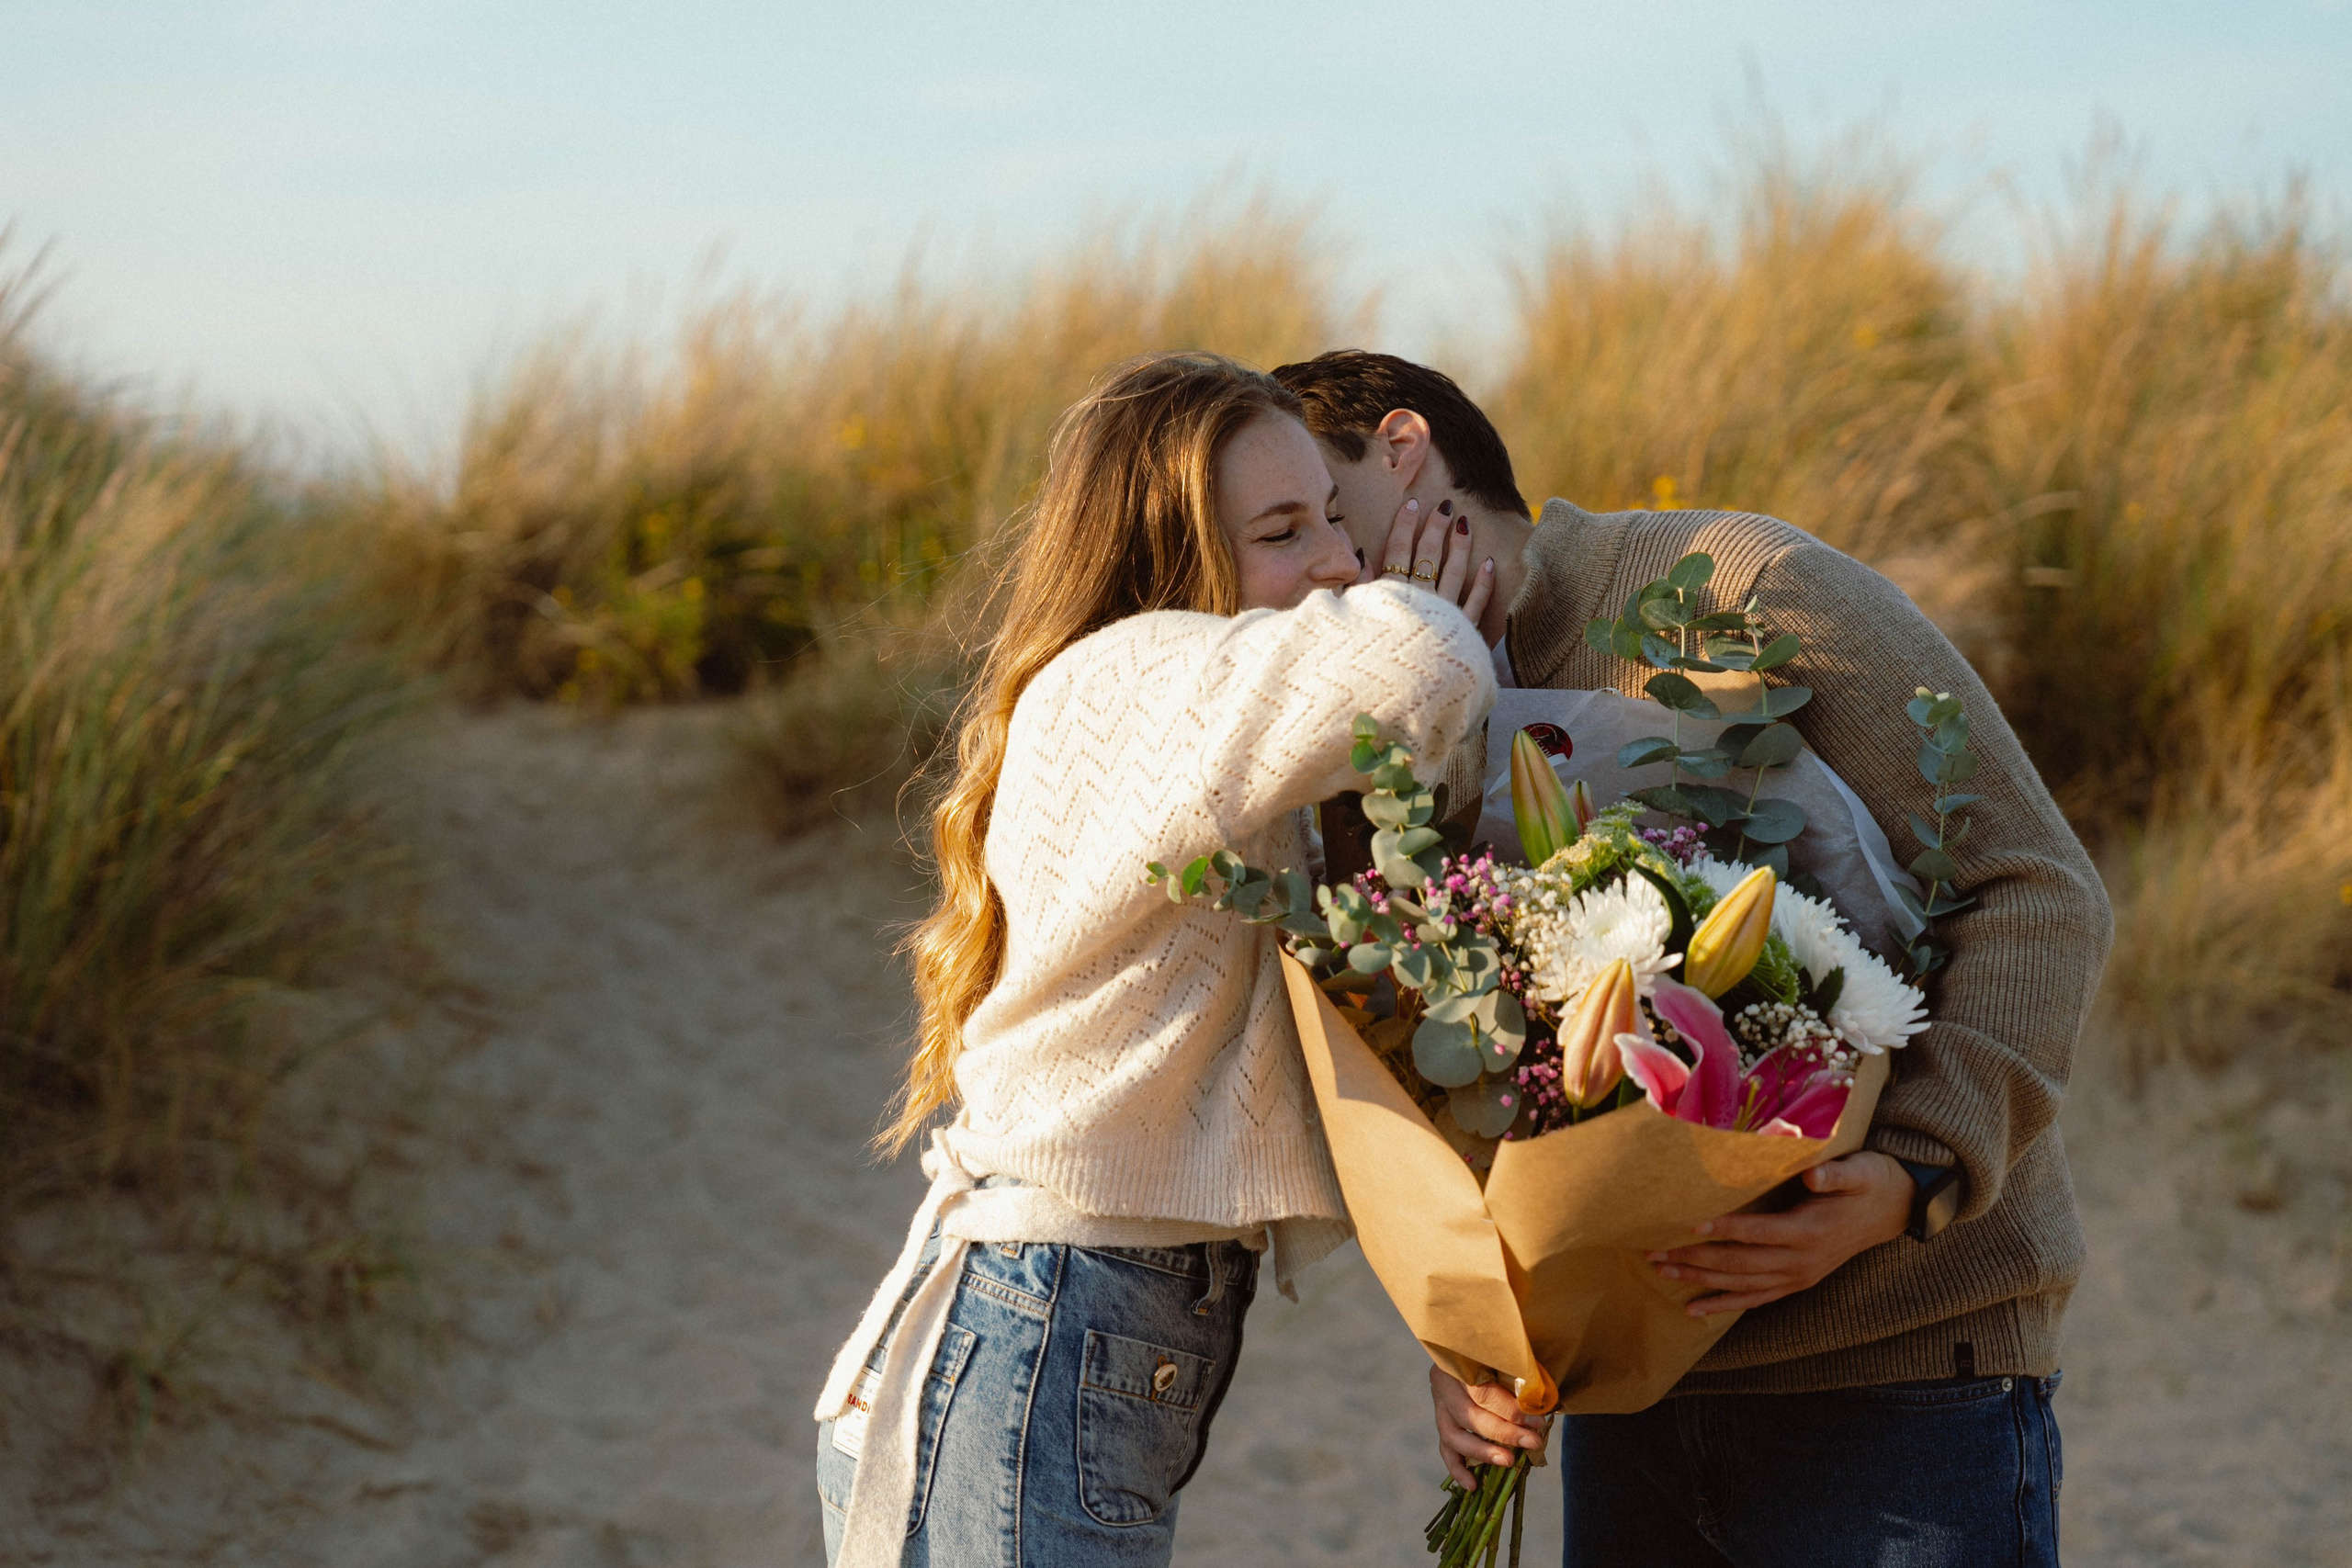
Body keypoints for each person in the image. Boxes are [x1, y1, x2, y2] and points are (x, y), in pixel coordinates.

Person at [1271, 349, 2111, 1568]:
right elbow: (1438, 1059)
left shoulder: (1735, 584)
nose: (1320, 574)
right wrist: (1473, 1338)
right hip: (1633, 1390)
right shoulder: (1380, 729)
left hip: (1898, 1380)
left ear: (1404, 449)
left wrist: (1912, 1174)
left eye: (1320, 515)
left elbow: (2037, 885)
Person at [813, 352, 1494, 1567]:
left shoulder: (1206, 735)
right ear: (1164, 556)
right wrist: (1428, 593)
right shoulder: (1128, 679)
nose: (1340, 564)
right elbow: (1419, 668)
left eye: (1337, 518)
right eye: (1284, 533)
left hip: (1071, 1327)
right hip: (1044, 1326)